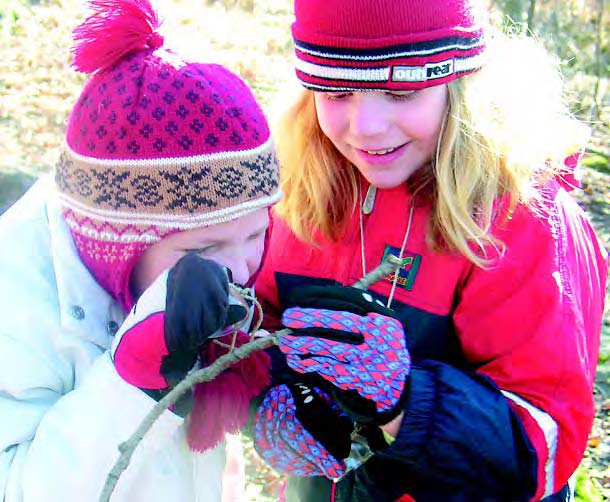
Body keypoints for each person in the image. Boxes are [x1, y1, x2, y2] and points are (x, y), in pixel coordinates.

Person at [250, 0, 609, 500]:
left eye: (402, 90)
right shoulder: (301, 186)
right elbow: (260, 324)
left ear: (461, 86)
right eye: (335, 91)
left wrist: (407, 403)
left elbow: (543, 445)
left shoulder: (525, 220)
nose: (367, 126)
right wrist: (268, 394)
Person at [0, 0, 281, 500]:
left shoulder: (204, 264)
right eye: (209, 244)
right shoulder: (17, 308)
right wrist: (130, 383)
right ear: (116, 247)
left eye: (257, 232)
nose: (242, 268)